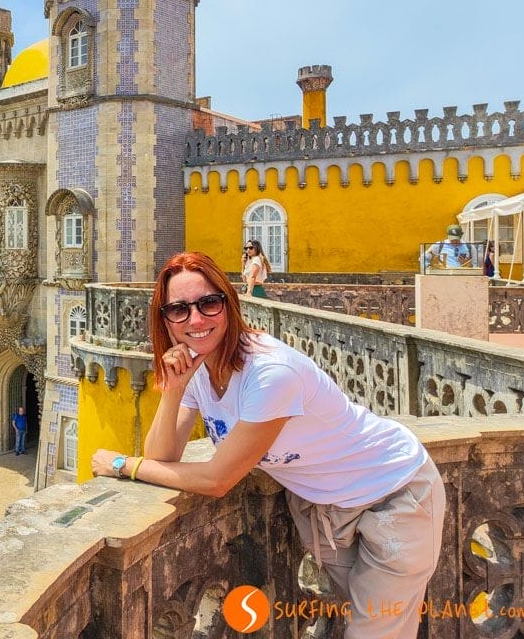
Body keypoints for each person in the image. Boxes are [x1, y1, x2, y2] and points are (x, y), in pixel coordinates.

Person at [92, 251, 445, 639]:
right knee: (359, 619)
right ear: (165, 320)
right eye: (178, 309)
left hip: (393, 494)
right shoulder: (198, 367)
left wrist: (123, 464)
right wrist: (172, 390)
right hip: (327, 510)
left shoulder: (270, 373)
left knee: (376, 632)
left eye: (209, 303)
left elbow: (216, 479)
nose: (195, 319)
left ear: (230, 303)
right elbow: (163, 456)